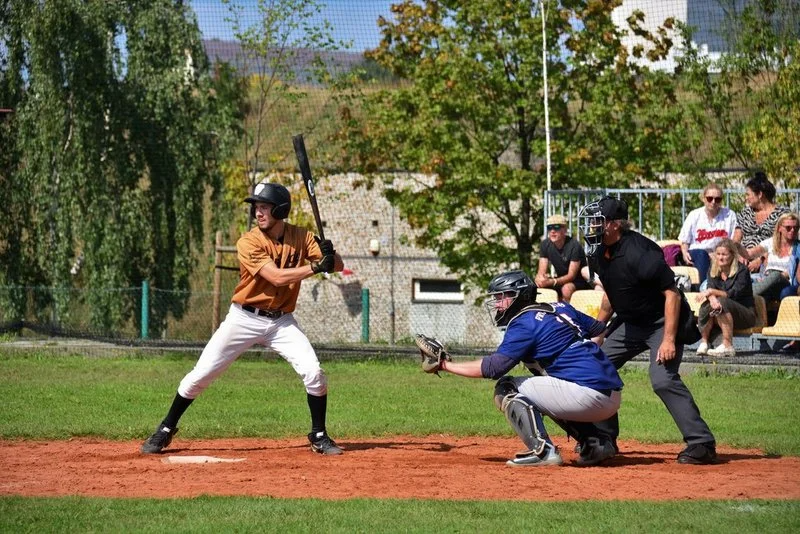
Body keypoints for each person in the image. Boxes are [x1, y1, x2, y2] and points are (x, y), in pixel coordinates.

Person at [140, 182, 345, 455]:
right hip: (244, 318)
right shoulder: (249, 241)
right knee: (201, 375)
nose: (258, 213)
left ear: (280, 210)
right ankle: (165, 429)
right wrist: (315, 267)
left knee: (314, 372)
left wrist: (330, 255)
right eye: (256, 207)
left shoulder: (302, 237)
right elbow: (276, 277)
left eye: (264, 207)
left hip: (281, 322)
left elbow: (338, 266)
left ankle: (319, 435)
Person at [577, 196, 717, 465]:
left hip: (661, 322)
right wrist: (598, 332)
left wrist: (668, 339)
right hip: (630, 323)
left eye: (598, 221)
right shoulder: (597, 251)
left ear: (615, 225)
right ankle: (605, 439)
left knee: (663, 379)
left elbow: (672, 295)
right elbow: (610, 296)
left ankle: (702, 443)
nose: (592, 226)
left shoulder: (641, 252)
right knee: (595, 367)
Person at [434, 270, 623, 467]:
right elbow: (599, 329)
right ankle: (596, 443)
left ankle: (542, 451)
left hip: (586, 395)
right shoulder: (560, 307)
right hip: (610, 394)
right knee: (547, 387)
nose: (497, 304)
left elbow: (493, 368)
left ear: (521, 296)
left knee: (506, 387)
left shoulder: (524, 322)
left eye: (502, 297)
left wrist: (444, 365)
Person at [695, 238, 756, 358]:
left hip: (745, 314)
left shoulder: (742, 271)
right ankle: (704, 342)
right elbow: (710, 287)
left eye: (724, 254)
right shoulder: (713, 268)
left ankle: (728, 345)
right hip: (721, 311)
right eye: (718, 254)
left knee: (722, 302)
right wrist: (712, 298)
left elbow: (733, 294)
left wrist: (711, 292)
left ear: (732, 255)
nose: (720, 257)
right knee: (707, 305)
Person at [677, 183, 738, 286]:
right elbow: (685, 241)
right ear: (703, 199)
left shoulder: (729, 215)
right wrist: (684, 252)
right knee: (702, 254)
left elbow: (734, 241)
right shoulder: (694, 215)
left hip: (721, 253)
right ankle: (705, 286)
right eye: (710, 199)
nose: (713, 202)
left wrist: (717, 254)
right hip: (698, 253)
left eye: (717, 199)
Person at [733, 171, 791, 274]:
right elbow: (736, 239)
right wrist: (739, 255)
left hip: (769, 260)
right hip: (743, 260)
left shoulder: (782, 214)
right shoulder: (745, 213)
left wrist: (760, 260)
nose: (746, 198)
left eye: (748, 194)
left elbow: (783, 242)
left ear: (760, 194)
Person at [534, 214, 601, 302]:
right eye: (549, 227)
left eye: (557, 227)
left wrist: (552, 281)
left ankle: (570, 310)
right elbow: (541, 272)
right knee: (537, 287)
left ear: (565, 229)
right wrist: (540, 279)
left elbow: (571, 276)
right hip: (559, 279)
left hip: (578, 281)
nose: (552, 231)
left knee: (566, 289)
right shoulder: (545, 244)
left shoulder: (574, 245)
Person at [746, 212, 800, 304]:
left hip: (784, 281)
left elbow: (791, 273)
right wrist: (736, 247)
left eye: (796, 228)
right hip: (767, 280)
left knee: (775, 275)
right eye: (788, 227)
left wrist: (769, 279)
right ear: (779, 228)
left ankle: (748, 294)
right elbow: (750, 253)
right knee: (756, 286)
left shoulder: (798, 247)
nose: (792, 230)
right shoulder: (771, 242)